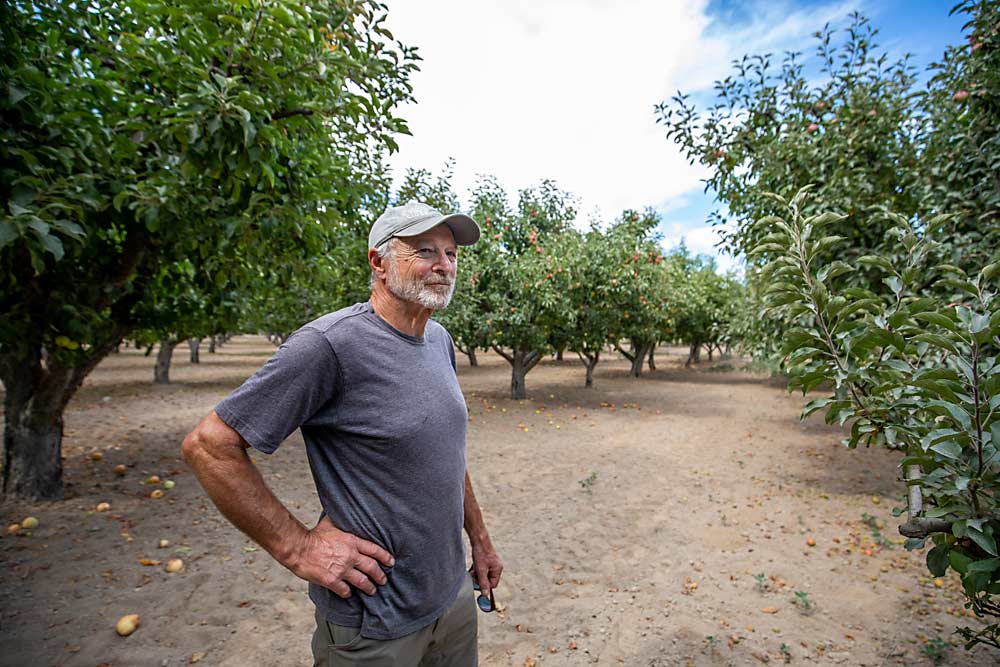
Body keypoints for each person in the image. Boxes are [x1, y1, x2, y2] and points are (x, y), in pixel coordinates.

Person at [181, 201, 503, 666]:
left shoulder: (439, 340)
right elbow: (209, 446)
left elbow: (445, 452)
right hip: (376, 622)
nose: (444, 265)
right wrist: (298, 548)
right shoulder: (330, 345)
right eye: (425, 251)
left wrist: (480, 537)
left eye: (452, 254)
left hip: (451, 599)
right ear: (379, 262)